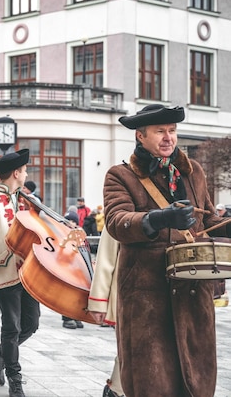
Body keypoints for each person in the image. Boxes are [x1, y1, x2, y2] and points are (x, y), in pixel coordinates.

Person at [103, 104, 230, 396]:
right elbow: (116, 221)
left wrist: (226, 227)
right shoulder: (120, 175)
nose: (168, 138)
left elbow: (207, 219)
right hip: (148, 297)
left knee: (195, 382)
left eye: (172, 131)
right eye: (160, 131)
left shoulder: (193, 171)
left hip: (193, 293)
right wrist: (157, 218)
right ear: (140, 136)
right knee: (152, 382)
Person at [0, 149, 39, 397]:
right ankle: (15, 378)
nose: (26, 174)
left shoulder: (22, 199)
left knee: (31, 324)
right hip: (4, 273)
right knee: (11, 327)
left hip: (28, 273)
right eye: (24, 170)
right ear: (16, 172)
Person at [86, 229, 124, 397]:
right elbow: (106, 258)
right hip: (128, 292)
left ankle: (116, 388)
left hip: (168, 293)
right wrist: (98, 300)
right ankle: (116, 390)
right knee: (131, 348)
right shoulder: (120, 205)